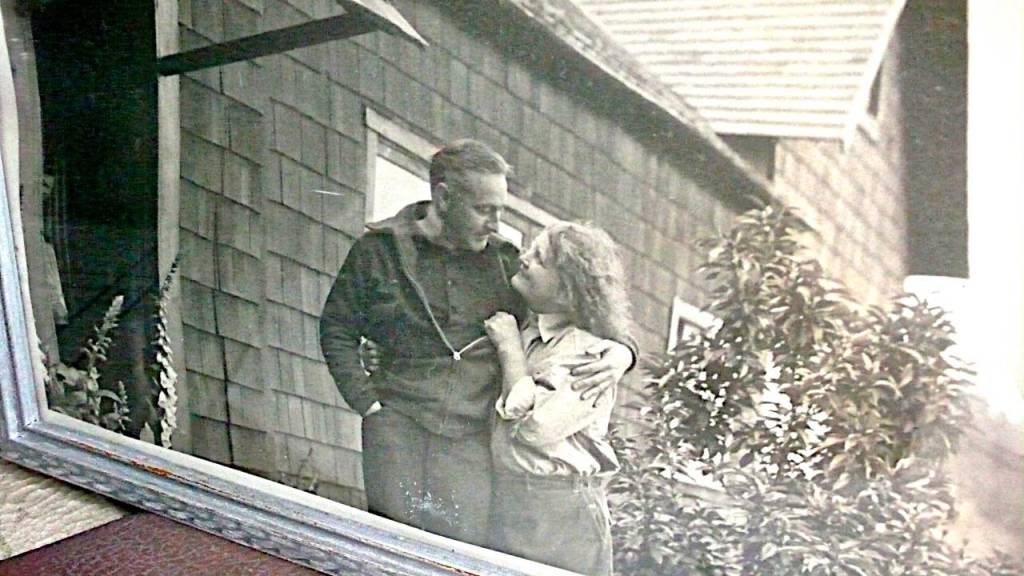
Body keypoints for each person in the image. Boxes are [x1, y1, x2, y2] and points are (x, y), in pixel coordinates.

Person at [318, 139, 634, 547]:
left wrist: (624, 352)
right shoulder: (379, 252)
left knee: (458, 554)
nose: (495, 224)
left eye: (500, 210)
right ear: (444, 197)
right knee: (387, 550)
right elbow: (337, 328)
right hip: (397, 427)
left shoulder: (507, 264)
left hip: (471, 442)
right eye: (484, 210)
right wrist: (369, 404)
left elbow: (583, 298)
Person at [483, 221, 632, 576]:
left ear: (568, 291)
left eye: (540, 258)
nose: (525, 258)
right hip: (515, 498)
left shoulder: (590, 356)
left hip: (562, 513)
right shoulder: (531, 330)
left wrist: (508, 349)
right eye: (530, 249)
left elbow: (535, 429)